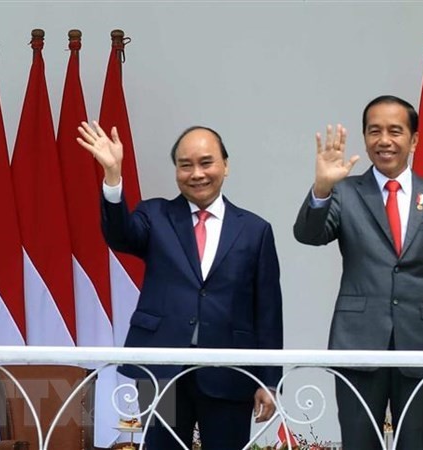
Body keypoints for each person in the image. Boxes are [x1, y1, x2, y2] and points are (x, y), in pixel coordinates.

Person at [77, 122, 283, 450]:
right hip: (162, 374)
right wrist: (113, 175)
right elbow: (120, 235)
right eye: (185, 165)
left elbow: (268, 311)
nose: (196, 173)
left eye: (206, 162)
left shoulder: (255, 230)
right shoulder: (155, 214)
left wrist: (269, 380)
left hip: (230, 372)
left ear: (225, 166)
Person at [293, 95, 423, 450]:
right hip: (358, 344)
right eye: (374, 131)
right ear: (364, 137)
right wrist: (322, 188)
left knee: (417, 444)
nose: (384, 140)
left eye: (395, 131)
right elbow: (309, 235)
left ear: (414, 139)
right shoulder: (346, 192)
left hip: (420, 348)